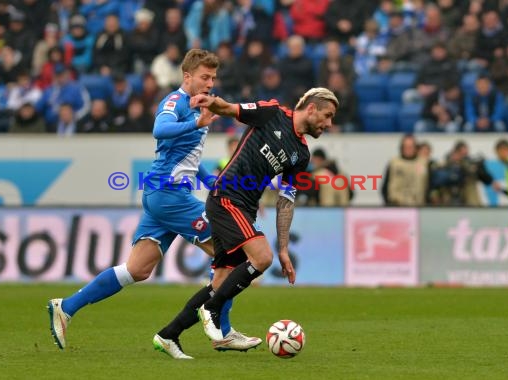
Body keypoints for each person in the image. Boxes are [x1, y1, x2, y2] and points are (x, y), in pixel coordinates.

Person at [47, 49, 260, 358]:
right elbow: (158, 129)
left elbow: (189, 162)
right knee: (233, 255)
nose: (210, 83)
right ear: (187, 77)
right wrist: (196, 123)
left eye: (213, 77)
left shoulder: (201, 107)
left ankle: (66, 307)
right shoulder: (175, 102)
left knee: (137, 269)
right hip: (168, 193)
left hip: (164, 194)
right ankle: (222, 332)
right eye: (204, 77)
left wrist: (217, 186)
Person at [153, 88, 338, 347]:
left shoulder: (301, 155)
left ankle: (168, 335)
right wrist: (211, 102)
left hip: (245, 207)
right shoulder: (271, 113)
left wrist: (284, 248)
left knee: (220, 282)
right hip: (226, 196)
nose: (329, 124)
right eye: (327, 115)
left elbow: (286, 201)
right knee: (262, 257)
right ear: (311, 108)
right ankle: (212, 310)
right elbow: (229, 108)